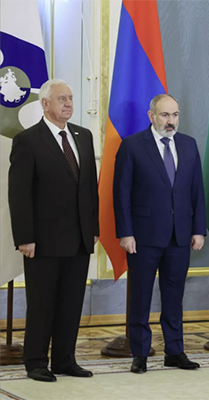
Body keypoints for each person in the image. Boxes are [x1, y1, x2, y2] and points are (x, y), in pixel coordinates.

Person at [8, 79, 99, 382]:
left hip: (79, 238)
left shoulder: (83, 136)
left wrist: (93, 228)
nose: (68, 103)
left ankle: (64, 360)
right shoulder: (28, 140)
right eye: (62, 99)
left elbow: (90, 188)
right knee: (42, 304)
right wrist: (25, 237)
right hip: (43, 241)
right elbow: (19, 194)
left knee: (71, 304)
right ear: (45, 104)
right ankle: (35, 362)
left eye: (70, 98)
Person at [113, 94, 206, 373]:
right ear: (151, 116)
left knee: (174, 297)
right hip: (143, 236)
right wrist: (126, 233)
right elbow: (121, 194)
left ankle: (174, 351)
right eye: (165, 115)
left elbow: (197, 191)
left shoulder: (188, 144)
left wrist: (198, 229)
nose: (171, 121)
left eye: (175, 115)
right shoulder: (132, 146)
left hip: (180, 235)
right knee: (140, 296)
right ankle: (140, 354)